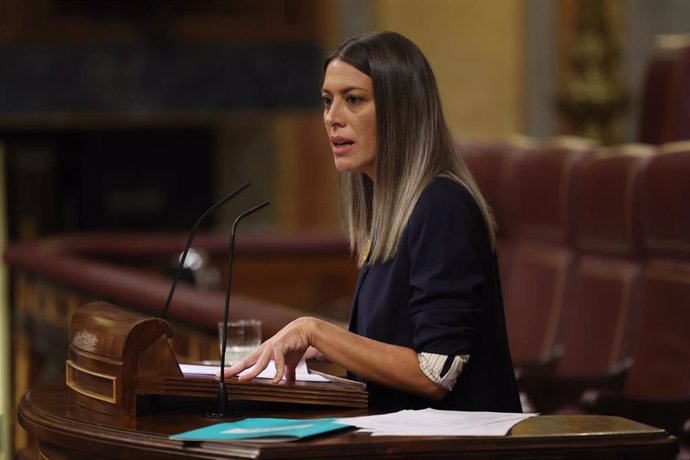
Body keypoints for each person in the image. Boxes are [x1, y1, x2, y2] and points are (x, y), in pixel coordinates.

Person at [223, 30, 522, 412]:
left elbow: (436, 373)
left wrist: (317, 330)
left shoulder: (442, 205)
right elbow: (402, 344)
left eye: (354, 100)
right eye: (327, 102)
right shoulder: (389, 208)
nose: (332, 118)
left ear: (402, 111)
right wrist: (330, 348)